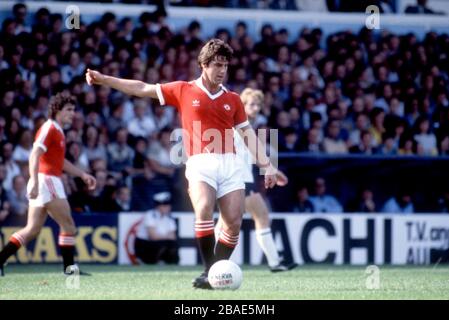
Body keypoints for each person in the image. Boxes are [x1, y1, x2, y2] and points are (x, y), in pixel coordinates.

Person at [86, 38, 279, 289]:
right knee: (204, 209)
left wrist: (267, 164)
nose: (222, 70)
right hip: (200, 162)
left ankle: (211, 276)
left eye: (225, 65)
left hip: (231, 164)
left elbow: (248, 134)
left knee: (233, 223)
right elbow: (141, 88)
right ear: (203, 64)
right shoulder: (183, 89)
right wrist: (105, 79)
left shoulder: (233, 99)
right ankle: (210, 271)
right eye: (217, 64)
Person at [0, 92, 97, 277]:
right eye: (69, 110)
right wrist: (35, 181)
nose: (72, 114)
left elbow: (60, 162)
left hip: (45, 180)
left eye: (73, 110)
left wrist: (83, 174)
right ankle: (69, 270)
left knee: (32, 230)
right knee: (68, 225)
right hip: (47, 181)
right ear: (57, 110)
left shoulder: (58, 130)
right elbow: (34, 154)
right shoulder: (49, 128)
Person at [216, 88, 297, 272]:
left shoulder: (246, 125)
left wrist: (272, 170)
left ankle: (214, 263)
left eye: (258, 104)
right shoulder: (238, 124)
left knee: (228, 221)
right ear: (242, 105)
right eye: (252, 104)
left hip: (238, 177)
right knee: (259, 216)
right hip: (238, 177)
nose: (256, 107)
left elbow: (251, 155)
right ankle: (275, 262)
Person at [134, 192, 179, 264]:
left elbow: (173, 237)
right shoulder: (150, 215)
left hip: (160, 244)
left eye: (168, 205)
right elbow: (153, 237)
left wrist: (162, 237)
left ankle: (169, 264)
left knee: (173, 245)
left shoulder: (170, 218)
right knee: (163, 244)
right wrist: (166, 236)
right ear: (158, 206)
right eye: (164, 205)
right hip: (145, 246)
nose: (168, 207)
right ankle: (149, 261)